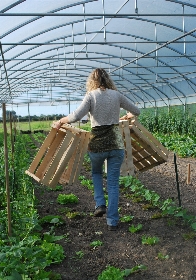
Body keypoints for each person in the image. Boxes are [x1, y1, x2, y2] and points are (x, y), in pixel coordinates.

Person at [53, 68, 140, 231]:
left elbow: (75, 117)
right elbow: (136, 111)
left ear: (92, 81)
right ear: (108, 79)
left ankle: (100, 203)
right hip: (115, 145)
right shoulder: (117, 95)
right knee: (113, 183)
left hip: (97, 145)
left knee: (96, 173)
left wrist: (60, 121)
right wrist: (125, 116)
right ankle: (112, 221)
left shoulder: (91, 96)